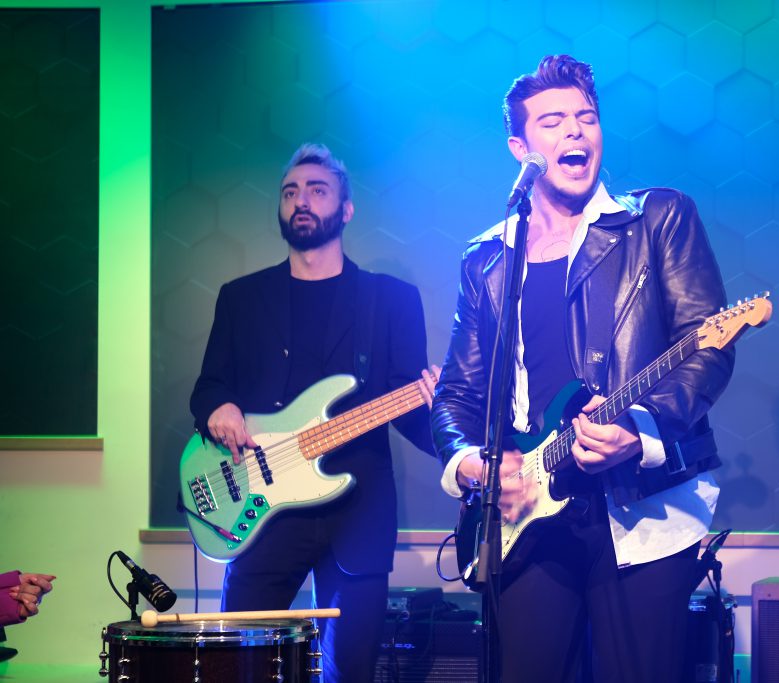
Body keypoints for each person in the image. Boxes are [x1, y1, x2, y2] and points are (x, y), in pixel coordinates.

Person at [430, 55, 736, 682]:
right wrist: (468, 464)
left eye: (586, 118)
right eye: (552, 121)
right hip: (527, 514)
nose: (574, 130)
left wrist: (640, 430)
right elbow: (457, 391)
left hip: (643, 508)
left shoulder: (657, 219)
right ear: (520, 149)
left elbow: (707, 349)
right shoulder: (486, 259)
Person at [190, 142, 438, 682]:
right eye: (290, 192)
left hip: (358, 513)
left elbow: (410, 412)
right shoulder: (241, 298)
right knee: (240, 667)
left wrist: (453, 434)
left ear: (346, 209)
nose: (301, 200)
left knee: (348, 672)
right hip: (260, 506)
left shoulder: (391, 300)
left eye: (317, 190)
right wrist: (219, 407)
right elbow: (208, 387)